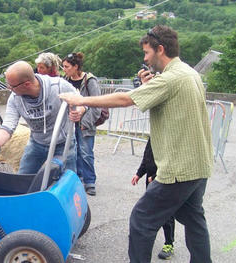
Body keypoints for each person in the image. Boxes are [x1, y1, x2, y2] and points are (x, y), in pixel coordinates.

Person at [59, 25, 213, 262]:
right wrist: (146, 85)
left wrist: (81, 99)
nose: (145, 59)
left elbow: (124, 99)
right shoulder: (188, 73)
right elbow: (156, 98)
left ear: (160, 49)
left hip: (179, 169)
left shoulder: (170, 79)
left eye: (147, 53)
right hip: (198, 166)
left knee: (142, 219)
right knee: (193, 218)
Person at [0, 61, 85, 174]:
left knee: (67, 180)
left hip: (63, 142)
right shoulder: (15, 98)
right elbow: (8, 126)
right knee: (23, 179)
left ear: (26, 84)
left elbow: (81, 102)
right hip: (36, 143)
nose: (9, 89)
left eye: (12, 86)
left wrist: (80, 111)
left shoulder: (58, 86)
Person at [62, 52, 102, 196]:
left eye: (66, 67)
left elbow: (97, 105)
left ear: (76, 67)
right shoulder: (65, 80)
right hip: (70, 122)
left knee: (86, 153)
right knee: (73, 151)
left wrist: (85, 122)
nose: (64, 69)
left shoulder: (89, 81)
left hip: (85, 123)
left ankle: (90, 181)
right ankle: (77, 178)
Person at [132, 138, 176, 260]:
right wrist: (139, 174)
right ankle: (145, 238)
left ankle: (169, 244)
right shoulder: (153, 137)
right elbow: (147, 157)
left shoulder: (168, 138)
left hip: (164, 181)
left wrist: (155, 176)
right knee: (148, 211)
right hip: (151, 183)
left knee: (166, 215)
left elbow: (171, 162)